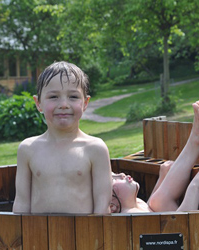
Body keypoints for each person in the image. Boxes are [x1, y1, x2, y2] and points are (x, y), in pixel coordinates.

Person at [13, 61, 112, 214]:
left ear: (85, 103)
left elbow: (102, 207)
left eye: (73, 96)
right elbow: (21, 203)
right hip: (38, 235)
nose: (64, 104)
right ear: (38, 103)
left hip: (84, 234)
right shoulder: (28, 149)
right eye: (53, 97)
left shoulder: (95, 149)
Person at [111, 100, 199, 213]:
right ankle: (195, 140)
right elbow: (178, 228)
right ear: (112, 206)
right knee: (160, 200)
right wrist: (195, 186)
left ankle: (195, 140)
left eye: (116, 174)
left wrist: (162, 178)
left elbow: (152, 211)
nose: (121, 175)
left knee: (157, 201)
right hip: (184, 227)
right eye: (113, 179)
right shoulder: (130, 214)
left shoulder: (133, 205)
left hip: (170, 223)